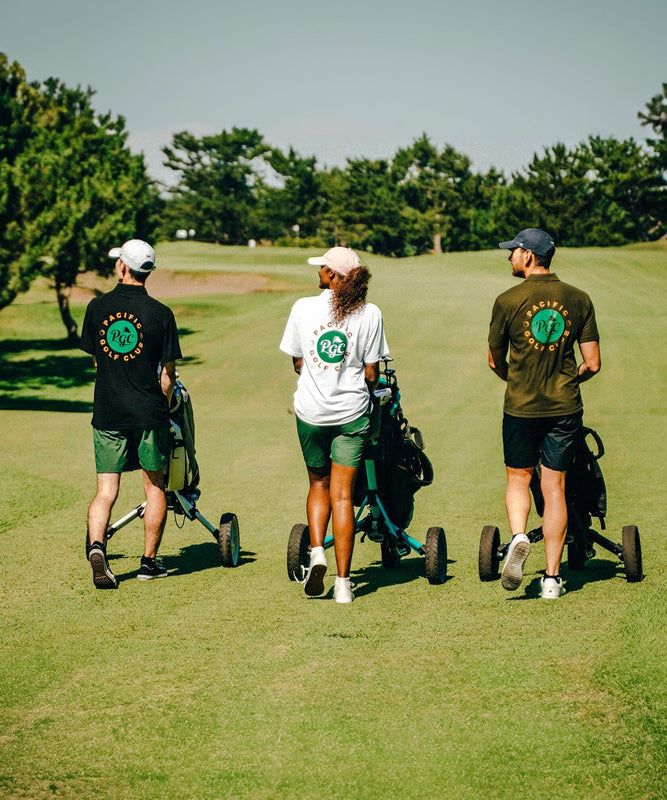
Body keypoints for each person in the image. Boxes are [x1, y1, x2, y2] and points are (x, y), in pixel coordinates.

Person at [487, 228, 600, 599]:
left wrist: (518, 380)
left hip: (520, 406)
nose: (509, 257)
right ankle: (552, 579)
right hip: (564, 406)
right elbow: (593, 363)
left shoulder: (507, 300)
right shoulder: (579, 298)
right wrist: (568, 380)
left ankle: (520, 535)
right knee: (555, 488)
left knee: (519, 477)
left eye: (513, 251)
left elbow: (494, 361)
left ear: (528, 255)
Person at [280, 246, 389, 603]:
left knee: (318, 484)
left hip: (311, 413)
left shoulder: (302, 307)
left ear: (333, 276)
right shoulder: (370, 312)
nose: (318, 272)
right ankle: (343, 584)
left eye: (323, 268)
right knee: (343, 496)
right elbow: (371, 373)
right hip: (351, 414)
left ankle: (317, 553)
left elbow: (299, 363)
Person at [80, 239, 182, 589]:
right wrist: (163, 406)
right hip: (149, 413)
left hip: (108, 411)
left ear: (123, 266)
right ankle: (148, 563)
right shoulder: (162, 313)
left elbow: (98, 362)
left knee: (105, 490)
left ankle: (97, 547)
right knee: (155, 487)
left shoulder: (97, 307)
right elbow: (168, 376)